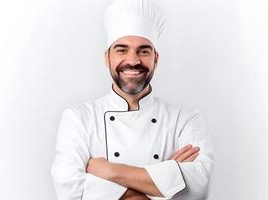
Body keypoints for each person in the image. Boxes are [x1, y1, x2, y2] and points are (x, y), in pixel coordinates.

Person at [51, 0, 214, 199]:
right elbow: (69, 191)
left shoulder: (185, 119)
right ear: (106, 58)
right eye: (122, 50)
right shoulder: (79, 119)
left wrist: (110, 171)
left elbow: (198, 188)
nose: (133, 60)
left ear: (156, 58)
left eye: (143, 51)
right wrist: (166, 181)